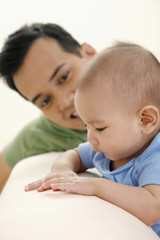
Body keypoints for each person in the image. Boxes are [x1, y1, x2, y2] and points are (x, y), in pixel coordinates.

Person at [25, 42, 160, 237]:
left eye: (99, 128)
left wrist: (95, 186)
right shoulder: (106, 149)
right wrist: (63, 171)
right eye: (86, 125)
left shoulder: (154, 156)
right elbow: (74, 155)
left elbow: (152, 209)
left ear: (145, 120)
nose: (90, 137)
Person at [0, 23, 97, 192]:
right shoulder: (39, 135)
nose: (65, 101)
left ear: (89, 53)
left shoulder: (145, 85)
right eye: (45, 101)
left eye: (64, 77)